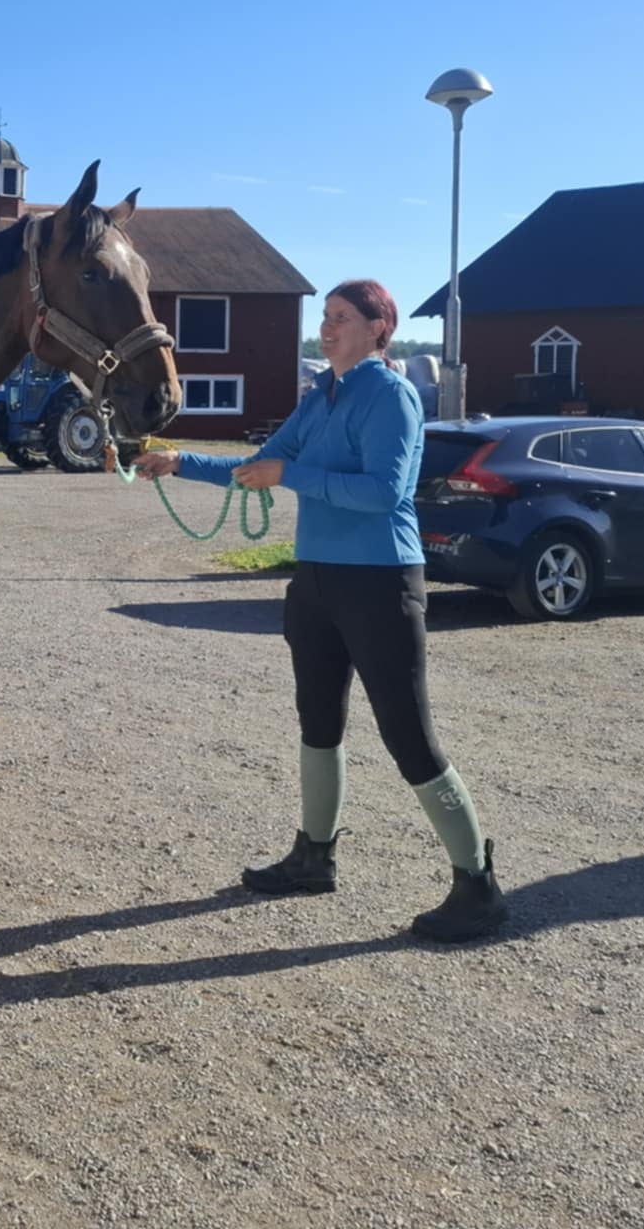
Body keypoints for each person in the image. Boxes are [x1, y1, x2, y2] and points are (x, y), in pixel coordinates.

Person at [134, 279, 507, 941]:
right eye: (326, 317)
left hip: (381, 581)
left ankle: (478, 886)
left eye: (341, 318)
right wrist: (176, 462)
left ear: (378, 328)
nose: (327, 328)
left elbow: (383, 492)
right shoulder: (321, 396)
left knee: (409, 736)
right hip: (317, 581)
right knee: (318, 723)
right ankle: (314, 856)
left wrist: (292, 476)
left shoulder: (390, 395)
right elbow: (261, 465)